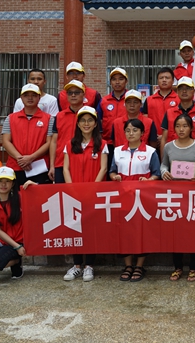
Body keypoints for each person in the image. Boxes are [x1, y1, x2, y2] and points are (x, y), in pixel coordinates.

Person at [109, 118, 161, 282]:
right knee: (124, 231)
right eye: (128, 130)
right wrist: (114, 177)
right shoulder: (118, 151)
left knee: (141, 231)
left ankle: (139, 265)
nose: (131, 133)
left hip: (141, 198)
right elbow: (111, 171)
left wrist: (149, 180)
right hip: (123, 197)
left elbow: (157, 173)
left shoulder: (150, 152)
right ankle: (128, 265)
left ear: (142, 133)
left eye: (135, 130)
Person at [61, 106, 108, 282]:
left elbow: (103, 168)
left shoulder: (102, 144)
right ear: (78, 124)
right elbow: (65, 168)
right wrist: (72, 189)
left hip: (93, 194)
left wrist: (92, 190)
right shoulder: (69, 144)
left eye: (90, 120)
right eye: (83, 120)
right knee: (75, 228)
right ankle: (77, 266)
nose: (86, 124)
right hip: (74, 194)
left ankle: (89, 266)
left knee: (91, 229)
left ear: (95, 123)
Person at [161, 114, 195, 282]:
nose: (181, 129)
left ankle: (193, 268)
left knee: (193, 232)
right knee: (176, 233)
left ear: (191, 128)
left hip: (193, 195)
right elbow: (164, 164)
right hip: (174, 195)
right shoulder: (168, 146)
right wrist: (164, 172)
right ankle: (178, 267)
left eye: (185, 126)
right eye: (178, 126)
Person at [1, 84, 53, 186]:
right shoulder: (10, 118)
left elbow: (49, 142)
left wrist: (31, 158)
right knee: (16, 195)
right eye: (26, 95)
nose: (30, 98)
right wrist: (20, 159)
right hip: (15, 166)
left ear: (39, 98)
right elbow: (6, 141)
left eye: (34, 95)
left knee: (39, 195)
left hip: (39, 167)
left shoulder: (49, 119)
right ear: (21, 98)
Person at [160, 77, 195, 156]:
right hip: (173, 156)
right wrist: (163, 160)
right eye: (181, 88)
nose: (184, 91)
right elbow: (164, 139)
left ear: (193, 91)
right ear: (177, 91)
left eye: (187, 88)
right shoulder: (169, 112)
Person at [49, 80, 86, 183]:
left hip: (82, 163)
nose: (73, 95)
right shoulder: (60, 116)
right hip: (60, 163)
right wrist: (52, 165)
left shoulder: (90, 114)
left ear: (83, 94)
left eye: (77, 92)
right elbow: (54, 142)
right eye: (70, 93)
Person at [141, 67, 180, 138]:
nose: (164, 80)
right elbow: (145, 121)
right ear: (157, 81)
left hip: (174, 139)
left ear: (172, 81)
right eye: (161, 78)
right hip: (153, 139)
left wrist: (165, 136)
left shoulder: (179, 99)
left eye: (167, 78)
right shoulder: (149, 100)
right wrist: (153, 136)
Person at [97, 67, 128, 146]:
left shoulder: (132, 99)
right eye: (114, 79)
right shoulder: (104, 101)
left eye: (121, 79)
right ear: (110, 82)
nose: (117, 82)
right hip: (108, 143)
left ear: (126, 81)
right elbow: (98, 121)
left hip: (127, 142)